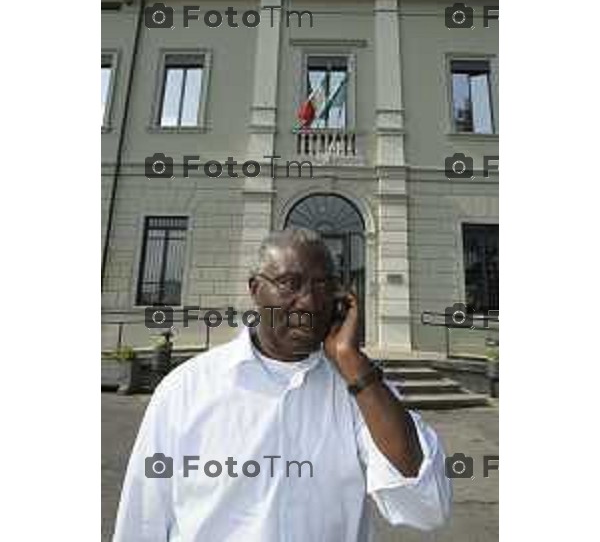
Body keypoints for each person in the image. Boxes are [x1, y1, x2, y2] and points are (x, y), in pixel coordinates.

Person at [113, 229, 451, 541]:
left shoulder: (361, 391)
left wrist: (351, 359)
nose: (308, 301)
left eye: (322, 285)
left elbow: (424, 504)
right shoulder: (186, 388)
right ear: (255, 289)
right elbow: (144, 519)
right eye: (290, 283)